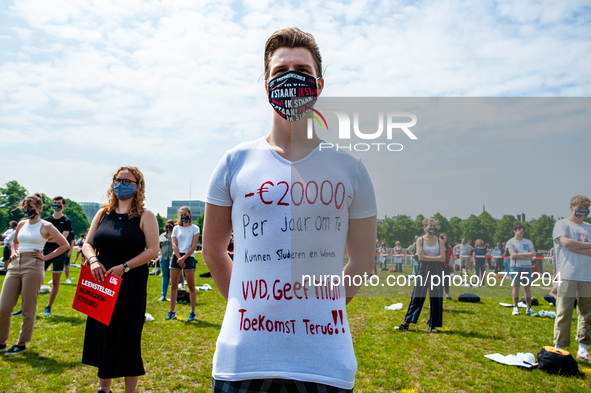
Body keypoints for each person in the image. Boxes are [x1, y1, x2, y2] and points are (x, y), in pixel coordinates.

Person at [203, 27, 377, 392]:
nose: (291, 78)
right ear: (265, 83)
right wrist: (245, 303)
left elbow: (362, 261)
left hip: (324, 361)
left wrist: (319, 305)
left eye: (302, 70)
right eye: (280, 72)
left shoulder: (351, 169)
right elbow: (213, 250)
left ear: (319, 84)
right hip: (243, 359)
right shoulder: (234, 162)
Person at [81, 166, 158, 393]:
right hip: (101, 281)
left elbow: (152, 250)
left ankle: (129, 391)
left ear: (138, 186)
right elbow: (87, 243)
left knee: (128, 335)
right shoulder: (103, 213)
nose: (121, 184)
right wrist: (93, 261)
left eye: (127, 181)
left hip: (130, 283)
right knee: (103, 334)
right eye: (118, 180)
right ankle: (104, 389)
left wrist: (124, 267)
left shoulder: (146, 216)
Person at [0, 194, 69, 355]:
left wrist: (45, 257)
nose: (27, 211)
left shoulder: (47, 226)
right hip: (16, 264)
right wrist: (14, 251)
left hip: (34, 265)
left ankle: (21, 343)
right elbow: (15, 241)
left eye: (30, 209)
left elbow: (64, 245)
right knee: (4, 307)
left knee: (28, 307)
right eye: (25, 209)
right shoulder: (22, 224)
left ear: (39, 208)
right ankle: (2, 341)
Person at [551, 195, 591, 363]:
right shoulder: (561, 224)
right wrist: (575, 246)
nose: (583, 213)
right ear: (571, 207)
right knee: (564, 312)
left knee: (587, 314)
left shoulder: (589, 227)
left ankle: (583, 348)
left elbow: (572, 245)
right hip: (567, 274)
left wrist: (576, 247)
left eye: (586, 210)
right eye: (580, 209)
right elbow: (566, 244)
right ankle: (559, 347)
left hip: (587, 275)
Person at [395, 218, 446, 332]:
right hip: (423, 268)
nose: (432, 227)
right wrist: (433, 257)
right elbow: (421, 257)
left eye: (434, 225)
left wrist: (427, 257)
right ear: (425, 227)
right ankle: (407, 322)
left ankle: (432, 324)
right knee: (418, 294)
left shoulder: (439, 241)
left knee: (436, 295)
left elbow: (442, 258)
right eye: (430, 225)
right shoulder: (420, 240)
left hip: (437, 269)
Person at [166, 207, 200, 321]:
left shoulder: (195, 228)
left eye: (185, 214)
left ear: (189, 215)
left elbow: (194, 245)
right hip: (176, 256)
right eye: (181, 215)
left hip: (189, 257)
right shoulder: (176, 228)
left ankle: (192, 312)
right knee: (174, 285)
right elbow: (174, 244)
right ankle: (171, 311)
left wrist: (184, 258)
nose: (183, 216)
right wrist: (179, 258)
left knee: (191, 286)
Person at [42, 196, 72, 316]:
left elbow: (63, 239)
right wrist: (55, 238)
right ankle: (27, 305)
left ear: (63, 205)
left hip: (60, 253)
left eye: (59, 203)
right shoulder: (46, 220)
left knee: (55, 281)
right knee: (36, 277)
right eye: (55, 203)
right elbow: (44, 237)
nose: (56, 205)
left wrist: (51, 238)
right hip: (45, 252)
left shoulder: (66, 221)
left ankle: (49, 306)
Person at [506, 223, 537, 317]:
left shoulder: (528, 242)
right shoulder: (510, 242)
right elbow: (513, 255)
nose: (522, 231)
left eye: (523, 229)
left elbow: (533, 253)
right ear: (514, 230)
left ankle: (529, 308)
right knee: (516, 287)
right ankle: (515, 307)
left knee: (527, 287)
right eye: (520, 229)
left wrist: (519, 255)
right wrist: (526, 255)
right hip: (516, 267)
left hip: (527, 267)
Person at [158, 220, 174, 301]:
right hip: (164, 258)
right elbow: (158, 243)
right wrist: (160, 249)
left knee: (174, 278)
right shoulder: (162, 236)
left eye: (170, 225)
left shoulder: (175, 235)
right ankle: (163, 295)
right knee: (165, 277)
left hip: (173, 258)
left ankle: (175, 296)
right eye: (167, 225)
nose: (168, 227)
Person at [439, 233, 454, 300]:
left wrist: (452, 263)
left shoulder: (449, 247)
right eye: (443, 238)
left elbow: (453, 256)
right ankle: (439, 295)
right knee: (439, 280)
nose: (444, 240)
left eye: (445, 238)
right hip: (439, 264)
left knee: (446, 280)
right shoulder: (438, 246)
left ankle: (447, 295)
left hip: (446, 265)